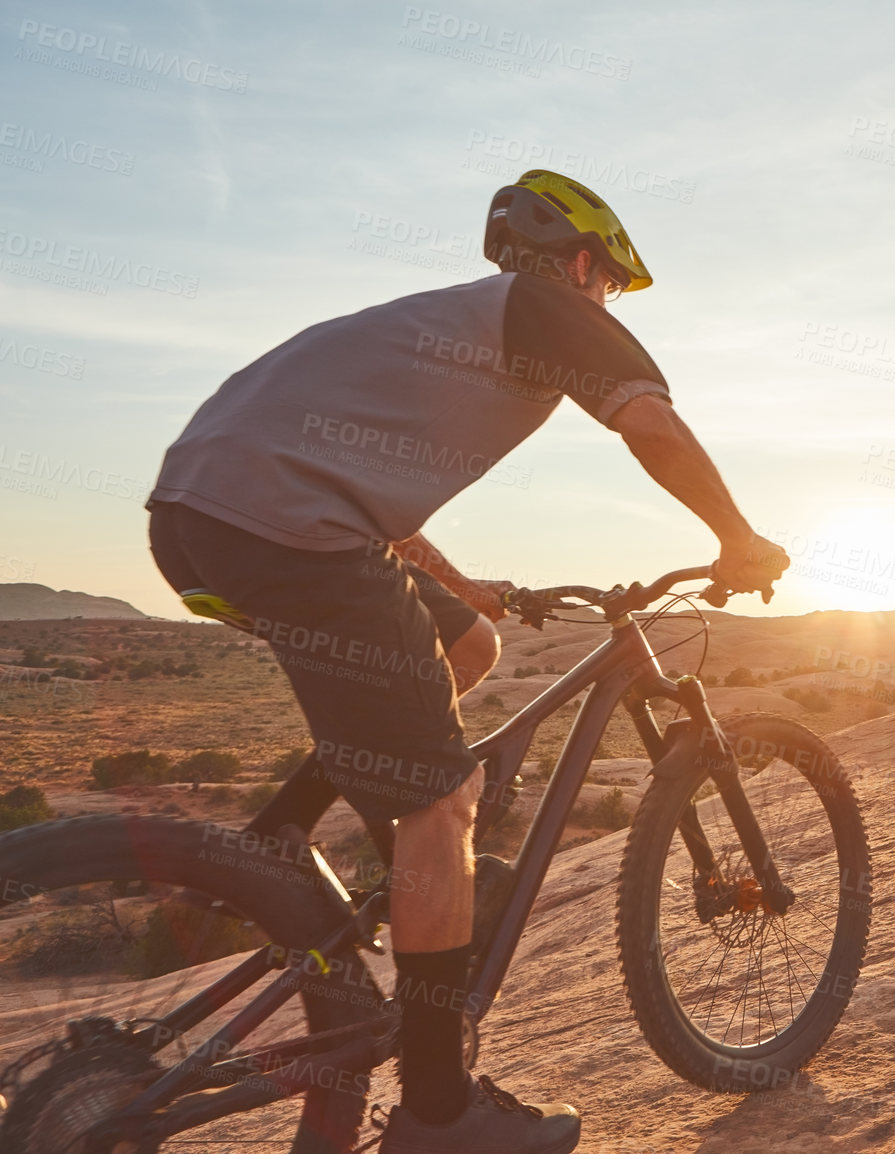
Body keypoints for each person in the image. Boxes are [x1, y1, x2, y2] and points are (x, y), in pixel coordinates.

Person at [145, 169, 788, 1154]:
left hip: (205, 517)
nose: (606, 301)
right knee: (440, 801)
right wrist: (739, 537)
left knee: (465, 641)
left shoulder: (442, 323)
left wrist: (458, 580)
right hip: (284, 524)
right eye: (609, 283)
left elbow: (352, 479)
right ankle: (440, 1110)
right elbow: (651, 425)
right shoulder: (548, 305)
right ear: (582, 262)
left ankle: (280, 838)